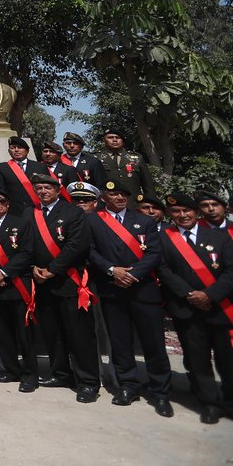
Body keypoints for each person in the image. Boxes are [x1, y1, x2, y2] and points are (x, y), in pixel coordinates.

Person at [87, 178, 173, 416]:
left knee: (153, 343)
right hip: (112, 289)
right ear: (103, 197)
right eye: (114, 195)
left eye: (124, 194)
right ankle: (128, 386)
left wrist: (132, 274)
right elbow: (90, 251)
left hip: (142, 289)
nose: (119, 198)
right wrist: (112, 270)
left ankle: (161, 392)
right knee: (121, 342)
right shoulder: (92, 220)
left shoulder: (144, 220)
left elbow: (154, 253)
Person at [157, 193, 233, 425]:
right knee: (197, 359)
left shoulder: (219, 236)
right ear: (171, 215)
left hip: (219, 306)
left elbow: (231, 270)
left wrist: (209, 294)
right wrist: (189, 294)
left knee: (227, 359)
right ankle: (209, 403)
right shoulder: (164, 237)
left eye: (187, 211)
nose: (182, 216)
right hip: (186, 308)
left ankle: (229, 401)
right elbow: (163, 268)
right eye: (177, 212)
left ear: (196, 212)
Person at [28, 172, 101, 402]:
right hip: (41, 283)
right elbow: (25, 244)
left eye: (47, 188)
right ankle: (60, 373)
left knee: (79, 334)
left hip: (68, 282)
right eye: (39, 188)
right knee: (53, 332)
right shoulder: (32, 214)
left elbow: (76, 246)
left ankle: (88, 381)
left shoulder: (74, 213)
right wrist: (32, 267)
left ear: (58, 190)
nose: (43, 192)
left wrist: (52, 269)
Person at [0, 188, 38, 392]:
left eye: (1, 200)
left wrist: (4, 273)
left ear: (8, 204)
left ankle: (30, 374)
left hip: (17, 284)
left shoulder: (21, 224)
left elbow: (27, 253)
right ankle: (12, 370)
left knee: (24, 333)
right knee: (2, 332)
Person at [96, 129, 156, 202]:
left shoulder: (136, 158)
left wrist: (150, 202)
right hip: (105, 203)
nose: (114, 140)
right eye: (110, 137)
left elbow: (148, 184)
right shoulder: (96, 158)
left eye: (118, 138)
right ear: (104, 141)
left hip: (132, 203)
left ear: (123, 141)